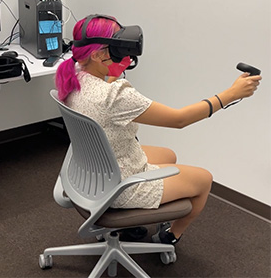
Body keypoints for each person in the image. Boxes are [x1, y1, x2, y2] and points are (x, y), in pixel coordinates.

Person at [55, 15, 262, 244]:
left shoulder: (72, 73)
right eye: (115, 47)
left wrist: (113, 73)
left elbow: (102, 103)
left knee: (169, 155)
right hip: (117, 185)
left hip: (91, 168)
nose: (122, 50)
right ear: (97, 55)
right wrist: (230, 95)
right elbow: (179, 119)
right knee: (204, 180)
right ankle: (169, 236)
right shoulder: (115, 96)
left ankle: (131, 225)